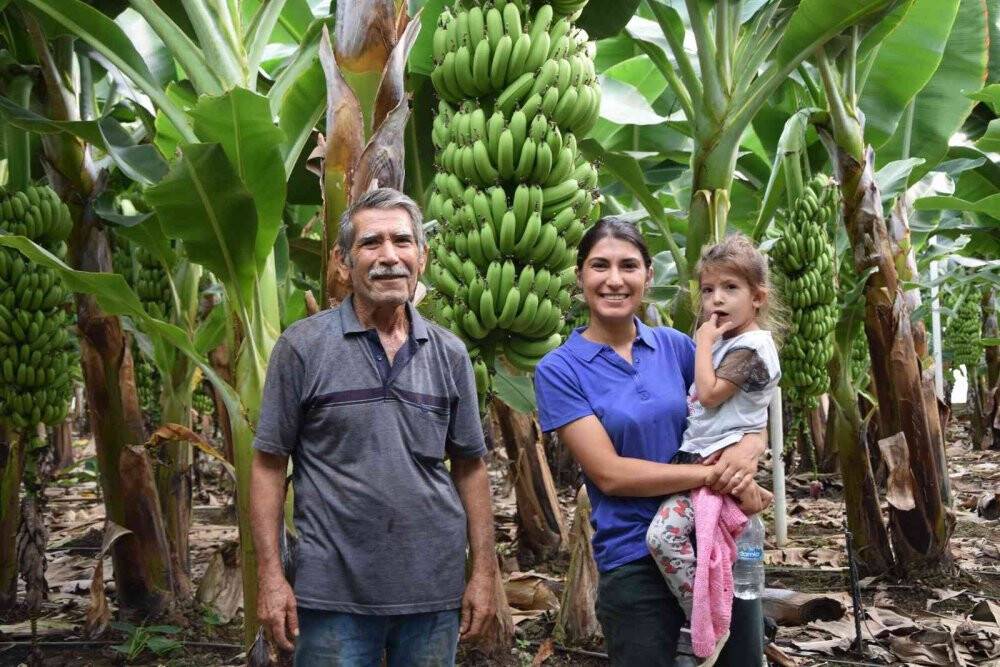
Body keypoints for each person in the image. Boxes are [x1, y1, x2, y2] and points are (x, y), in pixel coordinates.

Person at [250, 188, 496, 666]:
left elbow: (470, 467)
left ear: (422, 257)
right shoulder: (302, 348)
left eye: (403, 242)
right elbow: (267, 466)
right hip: (331, 594)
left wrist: (484, 573)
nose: (389, 257)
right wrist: (271, 576)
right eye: (371, 243)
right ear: (343, 262)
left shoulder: (449, 354)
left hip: (433, 590)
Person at [534, 218, 769, 666]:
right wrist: (711, 474)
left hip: (715, 540)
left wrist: (750, 449)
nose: (615, 279)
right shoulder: (560, 369)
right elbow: (611, 474)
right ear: (580, 274)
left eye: (629, 265)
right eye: (600, 265)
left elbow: (741, 413)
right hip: (633, 554)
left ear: (647, 275)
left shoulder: (678, 347)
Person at [645, 234, 780, 665]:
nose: (716, 299)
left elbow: (708, 394)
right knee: (682, 540)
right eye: (708, 290)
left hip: (714, 463)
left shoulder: (752, 347)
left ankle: (706, 617)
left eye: (730, 288)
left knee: (664, 537)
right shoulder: (729, 343)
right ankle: (711, 615)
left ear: (758, 297)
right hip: (704, 461)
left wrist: (702, 342)